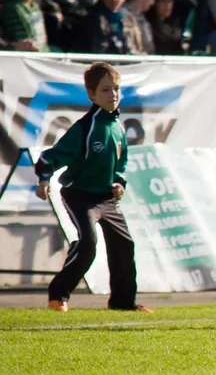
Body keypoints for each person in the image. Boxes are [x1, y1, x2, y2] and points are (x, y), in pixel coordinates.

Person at [32, 63, 152, 315]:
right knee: (88, 244)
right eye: (106, 90)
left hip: (106, 198)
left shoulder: (118, 128)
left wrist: (119, 183)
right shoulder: (84, 128)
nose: (113, 94)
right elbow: (50, 158)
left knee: (124, 245)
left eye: (117, 88)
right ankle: (58, 295)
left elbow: (121, 165)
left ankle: (122, 303)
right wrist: (44, 179)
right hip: (80, 196)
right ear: (92, 95)